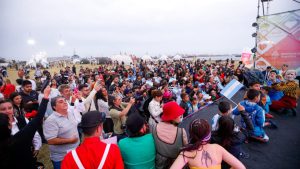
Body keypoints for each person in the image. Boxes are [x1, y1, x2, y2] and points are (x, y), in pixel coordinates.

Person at [0, 86, 49, 169]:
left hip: (27, 155)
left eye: (9, 108)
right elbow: (37, 120)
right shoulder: (18, 137)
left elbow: (34, 133)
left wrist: (36, 147)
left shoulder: (21, 119)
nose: (7, 111)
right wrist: (45, 97)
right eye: (3, 109)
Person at [170, 119, 245, 169]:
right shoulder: (217, 148)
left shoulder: (186, 153)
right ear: (209, 133)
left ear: (191, 134)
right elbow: (241, 167)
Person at [43, 95, 80, 169]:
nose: (65, 103)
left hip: (75, 152)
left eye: (65, 101)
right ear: (54, 107)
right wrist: (70, 140)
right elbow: (51, 140)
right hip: (62, 157)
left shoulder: (69, 113)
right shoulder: (51, 120)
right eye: (61, 102)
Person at [151, 101, 188, 169]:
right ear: (172, 117)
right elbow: (186, 149)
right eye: (178, 114)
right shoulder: (181, 132)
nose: (180, 115)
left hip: (159, 164)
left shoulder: (154, 127)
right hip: (175, 165)